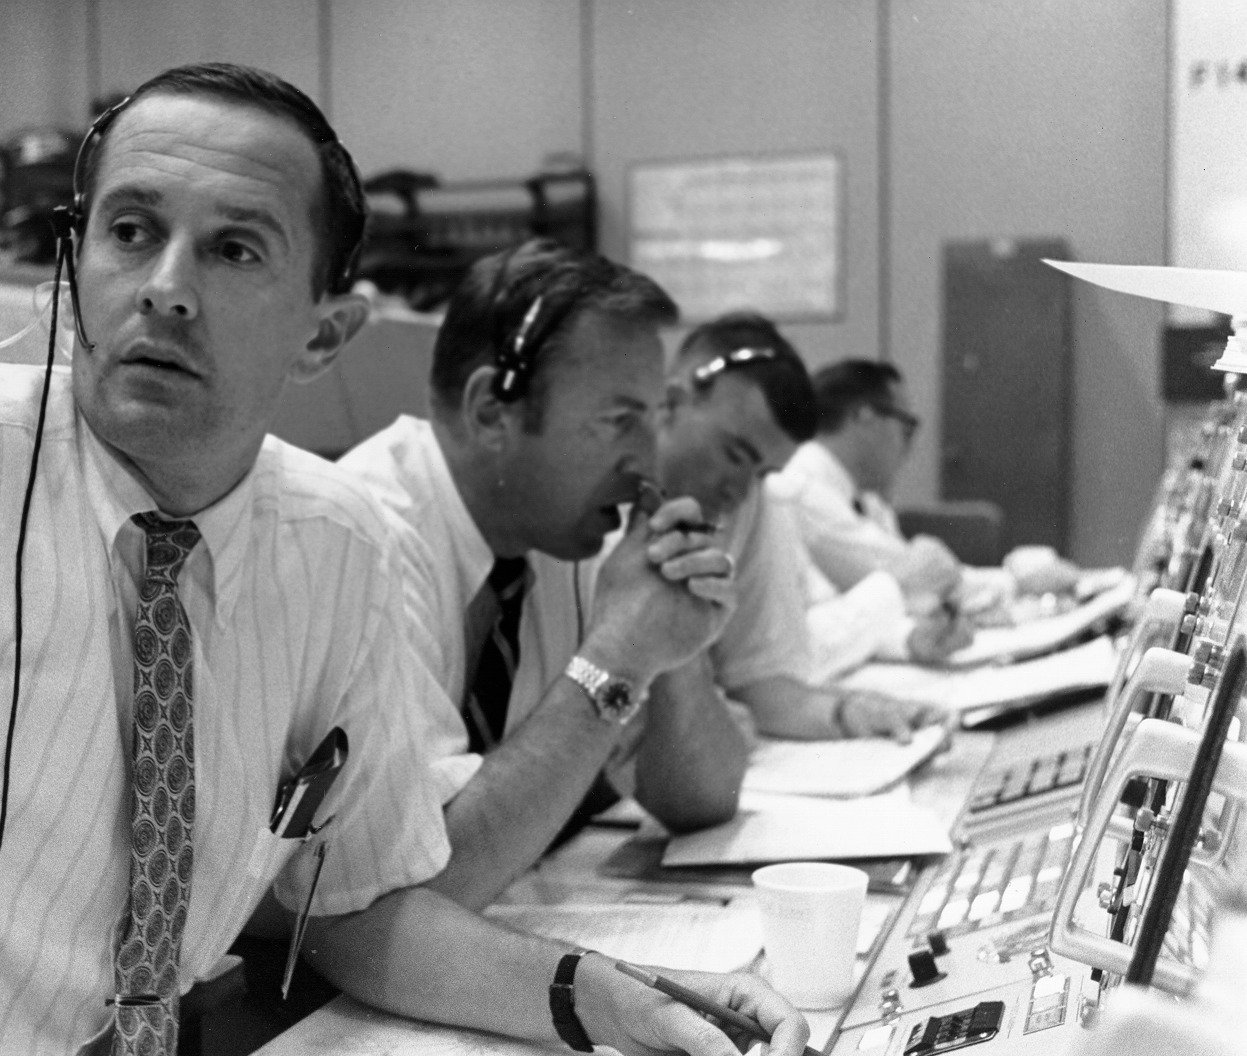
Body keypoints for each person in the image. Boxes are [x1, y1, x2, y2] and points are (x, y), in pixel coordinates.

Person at [0, 63, 807, 1056]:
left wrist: (615, 999)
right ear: (73, 264)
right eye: (130, 232)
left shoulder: (332, 546)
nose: (167, 290)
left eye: (233, 249)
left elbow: (360, 908)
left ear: (325, 333)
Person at [338, 239, 751, 913]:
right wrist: (616, 656)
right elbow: (418, 892)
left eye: (653, 421)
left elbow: (702, 801)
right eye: (618, 421)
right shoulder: (364, 541)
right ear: (490, 412)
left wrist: (669, 645)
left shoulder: (571, 530)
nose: (647, 464)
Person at [647, 312, 949, 742]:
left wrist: (853, 712)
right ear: (671, 404)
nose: (738, 489)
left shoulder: (754, 499)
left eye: (761, 470)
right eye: (733, 454)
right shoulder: (589, 510)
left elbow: (763, 686)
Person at [770, 359, 1080, 623]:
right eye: (906, 426)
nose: (907, 447)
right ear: (864, 417)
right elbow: (912, 579)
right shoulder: (803, 487)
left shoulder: (863, 494)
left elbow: (921, 579)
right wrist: (1017, 582)